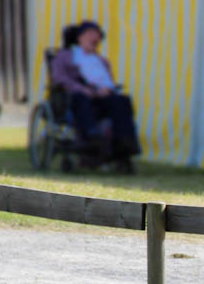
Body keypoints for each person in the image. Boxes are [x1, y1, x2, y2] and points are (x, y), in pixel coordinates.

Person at [51, 20, 140, 172]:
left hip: (102, 98)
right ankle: (92, 138)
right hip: (77, 97)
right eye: (90, 34)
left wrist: (107, 90)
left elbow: (109, 81)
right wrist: (82, 88)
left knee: (122, 101)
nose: (95, 38)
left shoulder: (101, 61)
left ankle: (124, 142)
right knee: (82, 99)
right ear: (79, 37)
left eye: (97, 35)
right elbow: (59, 77)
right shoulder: (66, 56)